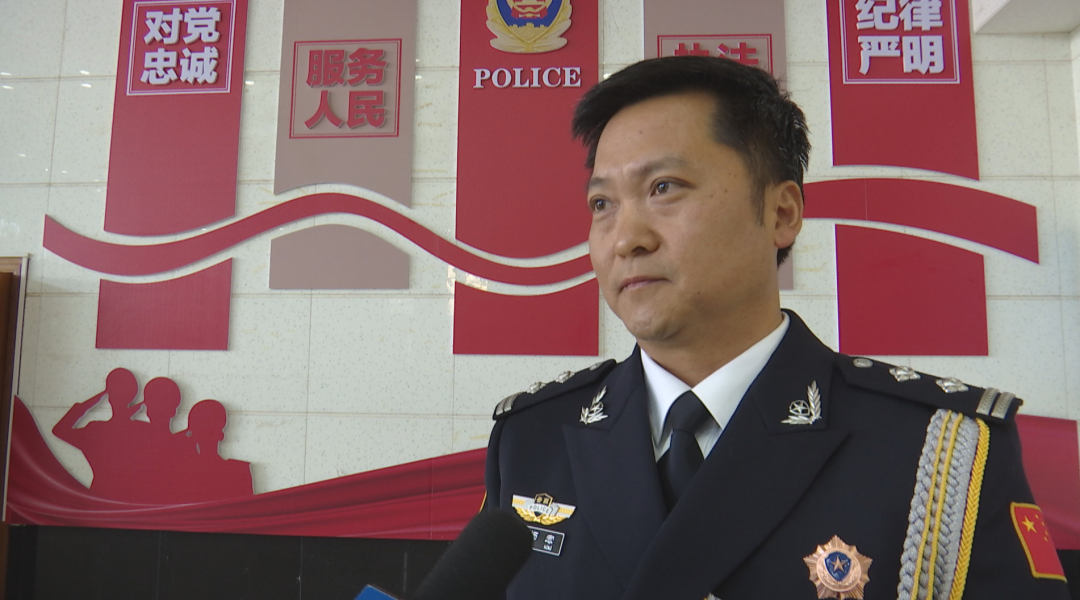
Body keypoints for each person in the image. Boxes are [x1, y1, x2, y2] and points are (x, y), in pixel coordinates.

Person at [483, 56, 1069, 600]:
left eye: (664, 188)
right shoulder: (533, 439)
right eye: (602, 205)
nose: (625, 239)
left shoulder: (938, 453)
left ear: (781, 213)